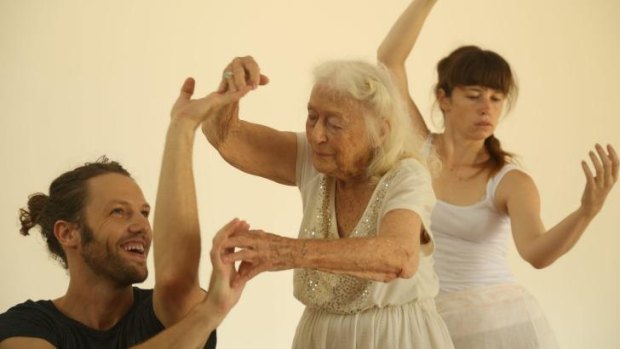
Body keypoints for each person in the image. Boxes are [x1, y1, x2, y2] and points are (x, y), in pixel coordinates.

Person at [377, 1, 620, 348]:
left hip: (497, 327)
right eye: (474, 96)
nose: (486, 108)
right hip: (427, 320)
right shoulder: (420, 149)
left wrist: (586, 212)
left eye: (496, 98)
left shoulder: (509, 181)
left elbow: (536, 252)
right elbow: (388, 60)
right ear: (443, 99)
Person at [201, 56, 454, 349]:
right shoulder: (312, 157)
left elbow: (400, 257)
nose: (317, 135)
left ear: (380, 131)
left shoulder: (407, 175)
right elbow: (223, 137)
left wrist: (285, 252)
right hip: (319, 335)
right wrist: (230, 89)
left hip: (393, 336)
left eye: (334, 124)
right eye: (312, 117)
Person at [0, 78, 250, 348]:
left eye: (144, 213)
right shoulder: (24, 326)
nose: (141, 225)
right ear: (68, 232)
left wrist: (183, 126)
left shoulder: (171, 312)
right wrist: (209, 312)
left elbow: (176, 280)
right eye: (118, 212)